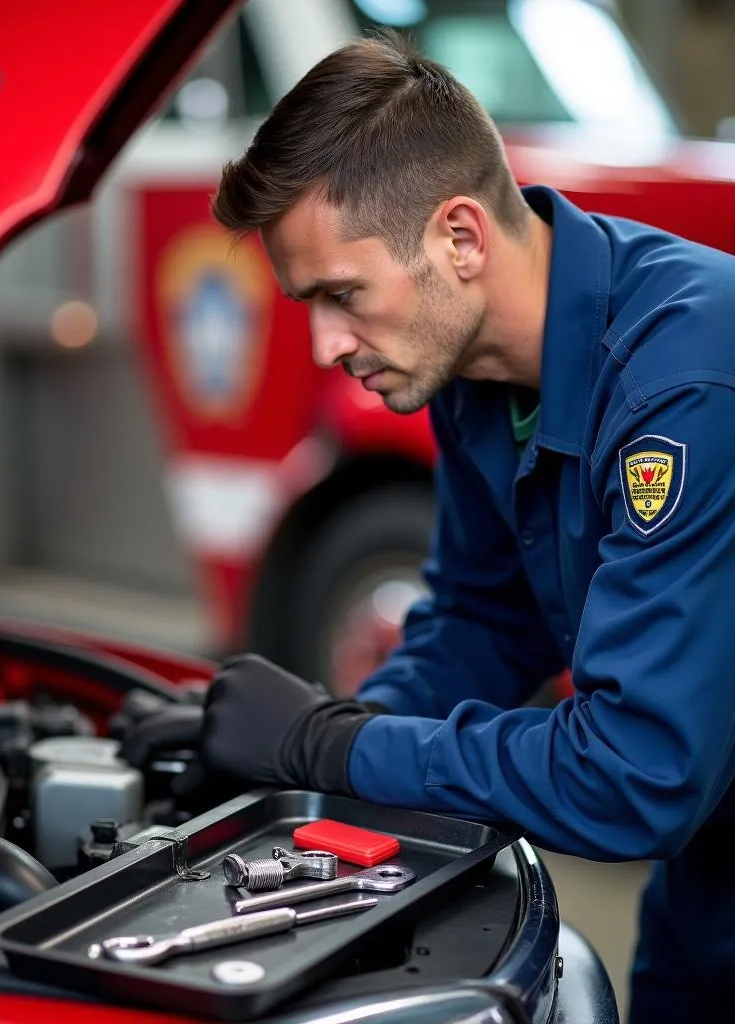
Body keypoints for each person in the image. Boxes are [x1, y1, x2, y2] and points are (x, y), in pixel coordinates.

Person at [121, 32, 735, 1023]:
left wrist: (333, 747)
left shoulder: (689, 383)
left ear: (458, 238)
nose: (325, 343)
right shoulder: (469, 371)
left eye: (341, 294)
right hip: (707, 890)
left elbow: (637, 772)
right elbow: (480, 626)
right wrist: (301, 767)